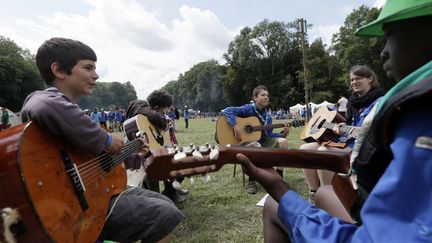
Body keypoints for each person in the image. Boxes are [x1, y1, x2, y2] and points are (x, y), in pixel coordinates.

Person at [236, 0, 432, 242]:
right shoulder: (365, 105)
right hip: (359, 175)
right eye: (351, 79)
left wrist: (278, 187)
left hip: (372, 216)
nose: (383, 51)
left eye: (389, 36)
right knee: (322, 186)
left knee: (276, 199)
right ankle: (313, 190)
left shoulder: (416, 113)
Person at [21, 37, 183, 242]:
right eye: (88, 68)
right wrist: (107, 139)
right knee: (162, 215)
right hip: (67, 209)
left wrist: (131, 153)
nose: (96, 75)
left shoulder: (72, 116)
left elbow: (97, 164)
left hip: (94, 195)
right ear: (58, 70)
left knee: (165, 204)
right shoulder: (43, 99)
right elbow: (43, 106)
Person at [302, 65, 384, 210]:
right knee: (305, 149)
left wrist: (347, 130)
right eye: (352, 79)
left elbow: (374, 132)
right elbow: (346, 127)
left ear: (370, 79)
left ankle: (329, 200)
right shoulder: (353, 102)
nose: (354, 82)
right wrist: (336, 128)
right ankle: (314, 193)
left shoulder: (380, 102)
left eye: (358, 78)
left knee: (323, 152)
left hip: (364, 149)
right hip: (347, 143)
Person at [221, 85, 289, 194]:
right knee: (256, 145)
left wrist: (283, 133)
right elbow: (228, 110)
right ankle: (251, 180)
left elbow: (269, 135)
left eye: (267, 95)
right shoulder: (248, 109)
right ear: (255, 98)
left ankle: (279, 177)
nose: (266, 97)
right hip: (244, 143)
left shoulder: (268, 116)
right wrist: (235, 127)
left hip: (262, 141)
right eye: (263, 95)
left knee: (284, 142)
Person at [126, 90, 188, 204]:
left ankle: (173, 189)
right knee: (171, 161)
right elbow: (151, 114)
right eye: (163, 109)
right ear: (156, 107)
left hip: (147, 149)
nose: (164, 112)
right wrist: (163, 123)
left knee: (177, 155)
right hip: (139, 152)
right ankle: (171, 192)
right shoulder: (140, 105)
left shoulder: (147, 112)